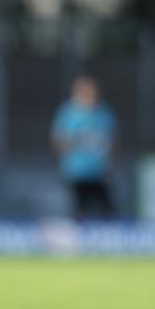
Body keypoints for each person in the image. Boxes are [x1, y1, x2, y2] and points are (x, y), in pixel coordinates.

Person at [50, 75, 117, 217]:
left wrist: (109, 162)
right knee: (78, 210)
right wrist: (67, 153)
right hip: (76, 171)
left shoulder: (104, 112)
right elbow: (58, 138)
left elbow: (111, 141)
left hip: (98, 172)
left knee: (108, 210)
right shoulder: (68, 112)